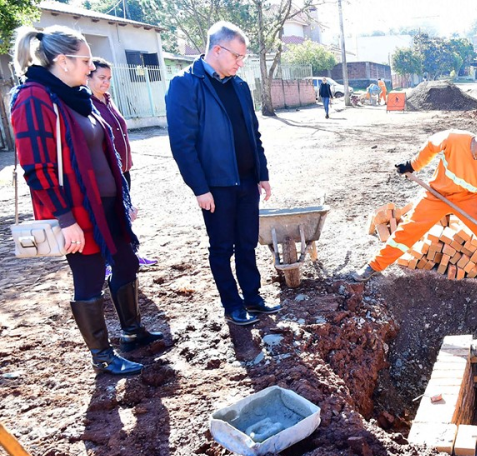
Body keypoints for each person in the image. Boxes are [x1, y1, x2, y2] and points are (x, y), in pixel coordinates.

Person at [11, 26, 163, 376]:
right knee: (90, 276)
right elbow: (36, 168)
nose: (91, 67)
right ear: (62, 61)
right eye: (85, 60)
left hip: (107, 205)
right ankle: (103, 356)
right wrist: (66, 220)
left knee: (126, 263)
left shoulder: (77, 97)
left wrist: (123, 200)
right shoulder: (34, 97)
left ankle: (132, 332)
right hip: (77, 212)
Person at [166, 21, 280, 326]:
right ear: (217, 49)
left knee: (247, 243)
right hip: (216, 186)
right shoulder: (185, 85)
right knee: (221, 247)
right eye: (237, 56)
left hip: (246, 181)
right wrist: (199, 188)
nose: (240, 63)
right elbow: (182, 143)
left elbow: (253, 133)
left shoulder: (239, 86)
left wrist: (262, 173)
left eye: (243, 57)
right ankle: (232, 305)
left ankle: (253, 298)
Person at [353, 118, 477, 281]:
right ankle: (374, 266)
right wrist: (413, 165)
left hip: (467, 199)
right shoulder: (454, 138)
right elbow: (432, 145)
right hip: (437, 194)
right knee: (409, 230)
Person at [86, 57, 158, 269]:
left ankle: (130, 254)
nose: (106, 82)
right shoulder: (87, 104)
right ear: (88, 77)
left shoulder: (108, 100)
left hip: (123, 171)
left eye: (109, 78)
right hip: (107, 174)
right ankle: (108, 262)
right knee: (109, 219)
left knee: (125, 215)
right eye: (101, 77)